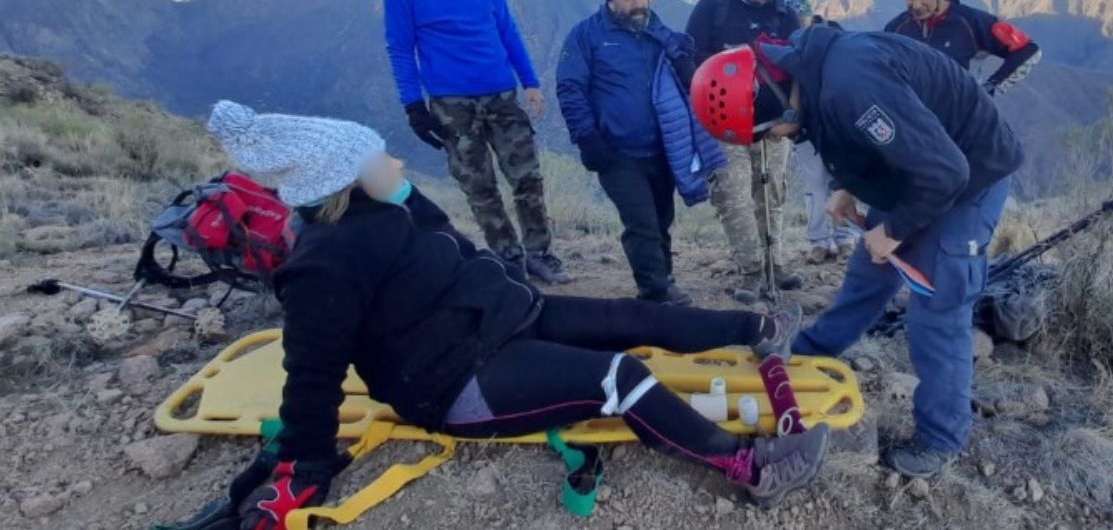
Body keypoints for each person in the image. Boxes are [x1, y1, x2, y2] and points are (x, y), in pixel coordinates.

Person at [201, 101, 830, 527]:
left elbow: (451, 241)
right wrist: (304, 464)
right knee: (617, 376)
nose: (394, 165)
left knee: (628, 316)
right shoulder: (325, 262)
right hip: (456, 382)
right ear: (342, 182)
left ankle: (761, 331)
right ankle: (752, 468)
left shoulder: (389, 209)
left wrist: (404, 193)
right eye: (378, 161)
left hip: (503, 318)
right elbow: (311, 372)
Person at [690, 25, 1023, 479]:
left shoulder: (854, 85)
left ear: (769, 98)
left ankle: (940, 439)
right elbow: (846, 135)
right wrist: (846, 187)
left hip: (971, 175)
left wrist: (896, 229)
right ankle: (812, 354)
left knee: (937, 305)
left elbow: (947, 173)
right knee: (869, 272)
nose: (776, 139)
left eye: (769, 132)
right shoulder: (809, 75)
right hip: (919, 170)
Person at [384, 0, 570, 284]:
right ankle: (507, 259)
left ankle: (540, 253)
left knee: (527, 178)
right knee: (479, 185)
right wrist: (413, 106)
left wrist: (530, 82)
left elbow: (508, 31)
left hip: (502, 94)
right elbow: (401, 50)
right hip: (452, 104)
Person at [556, 0, 726, 306]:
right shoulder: (586, 36)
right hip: (615, 151)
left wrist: (685, 63)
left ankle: (665, 278)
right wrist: (586, 138)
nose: (639, 3)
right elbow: (570, 88)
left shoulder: (660, 34)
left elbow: (687, 83)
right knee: (642, 224)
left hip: (662, 149)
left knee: (662, 219)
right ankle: (655, 295)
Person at [685, 0, 803, 304]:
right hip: (726, 127)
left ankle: (776, 265)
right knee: (734, 198)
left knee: (772, 195)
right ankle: (751, 272)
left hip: (774, 124)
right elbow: (689, 61)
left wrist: (793, 118)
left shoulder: (786, 15)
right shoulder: (713, 9)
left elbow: (801, 68)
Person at [885, 0, 1042, 96]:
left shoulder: (971, 22)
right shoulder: (895, 29)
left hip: (962, 119)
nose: (916, 5)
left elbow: (1028, 50)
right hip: (912, 118)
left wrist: (991, 88)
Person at [779, 0, 856, 264]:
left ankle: (846, 238)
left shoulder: (834, 37)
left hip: (836, 125)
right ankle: (819, 242)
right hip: (806, 128)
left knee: (843, 183)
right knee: (814, 187)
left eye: (801, 16)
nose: (798, 22)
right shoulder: (787, 45)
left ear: (810, 14)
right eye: (793, 18)